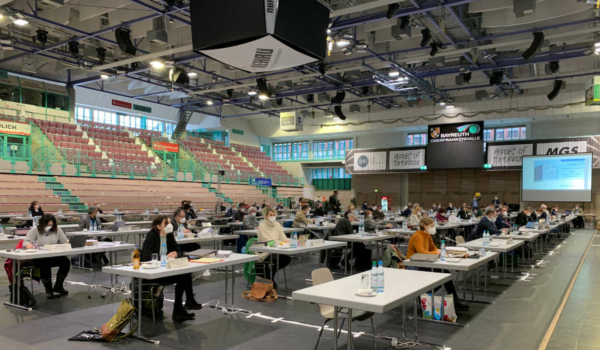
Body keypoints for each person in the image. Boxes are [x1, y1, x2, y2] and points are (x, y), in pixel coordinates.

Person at [140, 216, 202, 320]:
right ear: (159, 226)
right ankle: (183, 306)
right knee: (184, 276)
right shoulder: (151, 236)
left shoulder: (169, 235)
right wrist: (165, 257)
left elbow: (178, 250)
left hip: (166, 270)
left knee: (185, 273)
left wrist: (175, 254)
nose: (170, 225)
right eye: (166, 223)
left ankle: (183, 305)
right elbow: (146, 258)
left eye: (170, 223)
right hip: (153, 274)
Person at [406, 217, 469, 311]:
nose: (434, 228)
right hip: (414, 264)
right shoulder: (417, 236)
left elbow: (433, 248)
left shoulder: (427, 235)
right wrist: (437, 252)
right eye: (432, 226)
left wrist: (440, 251)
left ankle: (455, 301)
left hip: (425, 262)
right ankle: (423, 295)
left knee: (446, 274)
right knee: (443, 276)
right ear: (425, 226)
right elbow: (421, 252)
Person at [23, 214, 70, 299]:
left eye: (51, 225)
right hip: (39, 257)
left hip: (53, 255)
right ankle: (49, 290)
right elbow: (26, 242)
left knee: (65, 261)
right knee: (45, 264)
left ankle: (58, 286)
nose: (49, 227)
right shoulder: (35, 230)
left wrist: (68, 243)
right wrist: (29, 245)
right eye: (47, 225)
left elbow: (65, 240)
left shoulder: (57, 229)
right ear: (42, 224)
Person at [257, 208, 291, 287]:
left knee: (287, 259)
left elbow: (283, 237)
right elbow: (268, 241)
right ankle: (269, 277)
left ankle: (270, 274)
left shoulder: (277, 225)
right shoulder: (262, 226)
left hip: (277, 250)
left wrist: (291, 241)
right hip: (265, 251)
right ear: (266, 216)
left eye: (274, 215)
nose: (272, 217)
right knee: (278, 258)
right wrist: (281, 242)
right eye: (270, 215)